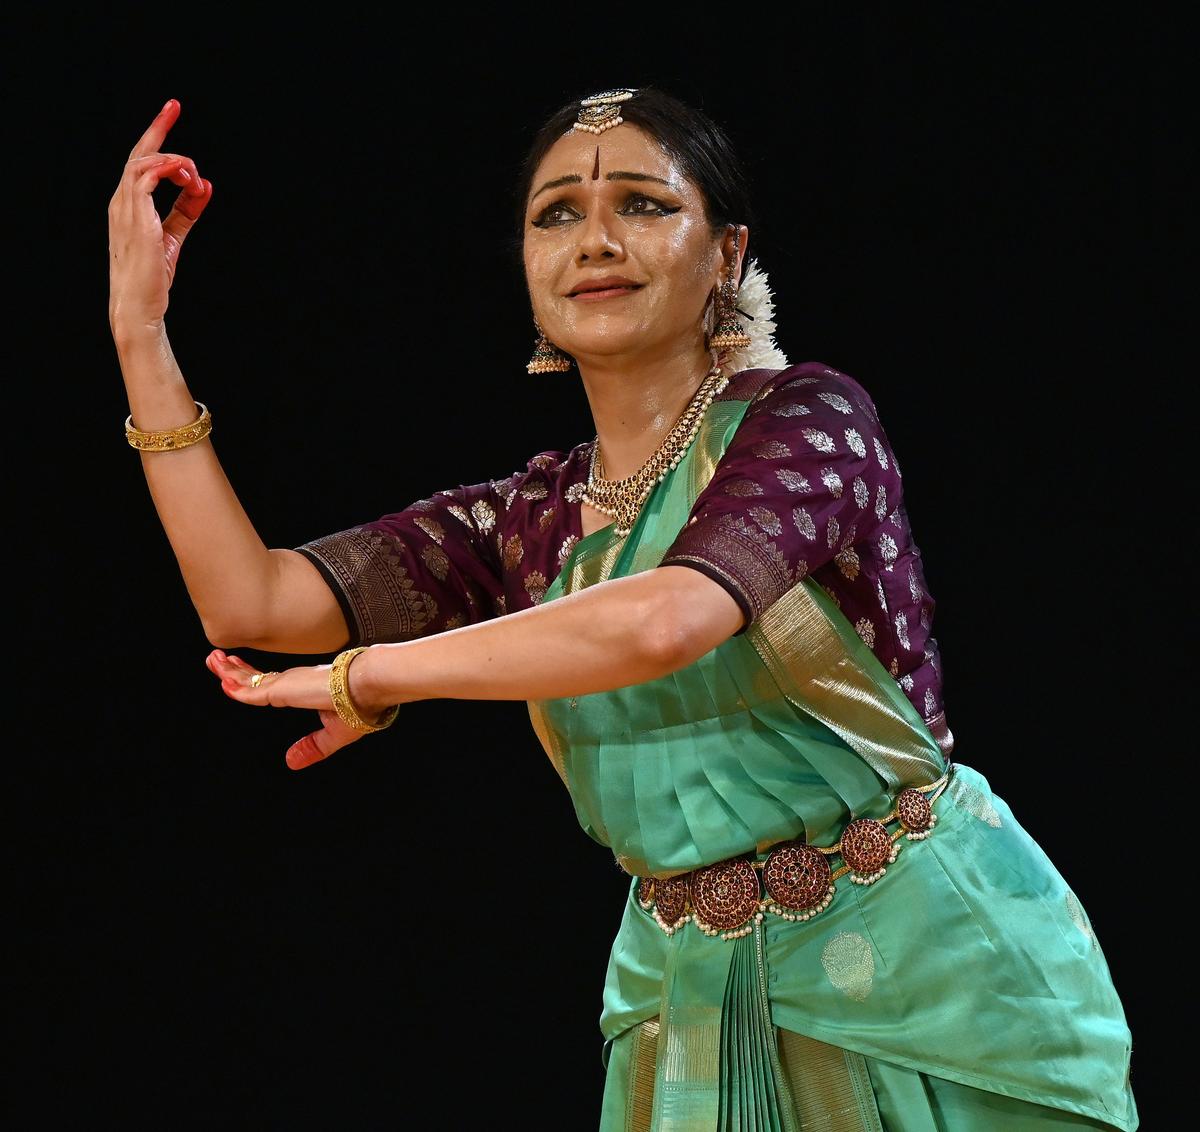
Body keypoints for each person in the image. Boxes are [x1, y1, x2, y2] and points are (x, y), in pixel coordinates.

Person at [108, 87, 1138, 1130]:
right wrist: (141, 334)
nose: (594, 238)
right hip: (683, 997)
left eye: (644, 204)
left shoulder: (810, 420)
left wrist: (373, 674)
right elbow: (253, 598)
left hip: (931, 983)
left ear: (728, 252)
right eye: (556, 213)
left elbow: (666, 620)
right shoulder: (531, 516)